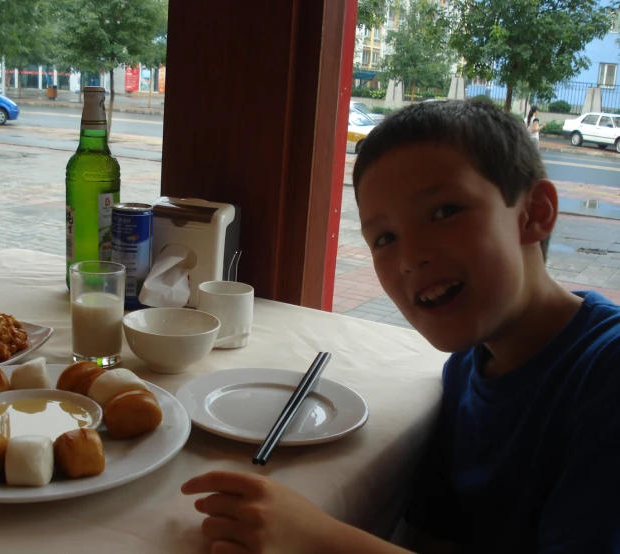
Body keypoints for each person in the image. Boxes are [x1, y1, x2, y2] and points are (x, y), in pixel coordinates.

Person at [181, 100, 620, 553]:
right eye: (385, 238)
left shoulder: (606, 373)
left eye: (445, 211)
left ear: (535, 213)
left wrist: (314, 537)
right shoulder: (467, 367)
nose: (411, 259)